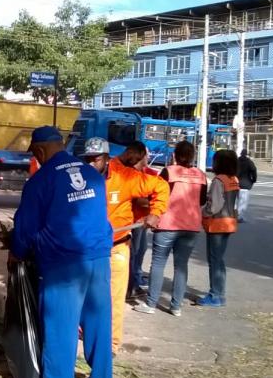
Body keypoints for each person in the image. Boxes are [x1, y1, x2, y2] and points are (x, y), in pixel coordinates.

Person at [10, 126, 114, 378]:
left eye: (34, 153)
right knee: (99, 324)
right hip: (98, 259)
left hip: (62, 265)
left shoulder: (40, 181)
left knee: (60, 331)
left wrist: (16, 254)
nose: (36, 158)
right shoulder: (93, 174)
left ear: (41, 150)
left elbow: (25, 229)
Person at [80, 138, 169, 355]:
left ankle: (110, 345)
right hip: (87, 249)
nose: (91, 163)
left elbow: (161, 186)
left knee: (113, 298)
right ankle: (86, 331)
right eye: (88, 159)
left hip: (116, 247)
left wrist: (155, 213)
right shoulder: (79, 179)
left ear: (106, 158)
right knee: (85, 295)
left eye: (96, 159)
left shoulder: (125, 177)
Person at [133, 141, 207, 317]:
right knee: (181, 266)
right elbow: (202, 201)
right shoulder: (201, 175)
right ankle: (176, 306)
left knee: (158, 263)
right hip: (190, 226)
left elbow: (157, 195)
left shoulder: (169, 172)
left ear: (175, 155)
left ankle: (151, 303)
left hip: (167, 223)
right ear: (192, 156)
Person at [198, 149, 240, 307]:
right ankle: (220, 294)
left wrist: (204, 212)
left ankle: (214, 295)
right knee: (219, 260)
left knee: (214, 261)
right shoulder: (233, 179)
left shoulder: (218, 180)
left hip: (217, 224)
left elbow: (214, 205)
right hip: (229, 222)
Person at [128, 148, 159, 299]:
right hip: (133, 220)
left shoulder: (149, 173)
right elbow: (136, 198)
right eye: (147, 154)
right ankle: (131, 286)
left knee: (140, 250)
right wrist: (152, 203)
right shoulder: (130, 174)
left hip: (141, 220)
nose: (149, 157)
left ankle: (135, 279)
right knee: (133, 252)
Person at [236, 149, 257, 222]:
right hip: (245, 184)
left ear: (241, 153)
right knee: (243, 201)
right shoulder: (249, 162)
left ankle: (235, 215)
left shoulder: (236, 161)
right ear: (246, 154)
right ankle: (239, 217)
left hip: (235, 184)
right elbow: (254, 170)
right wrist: (253, 180)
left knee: (237, 200)